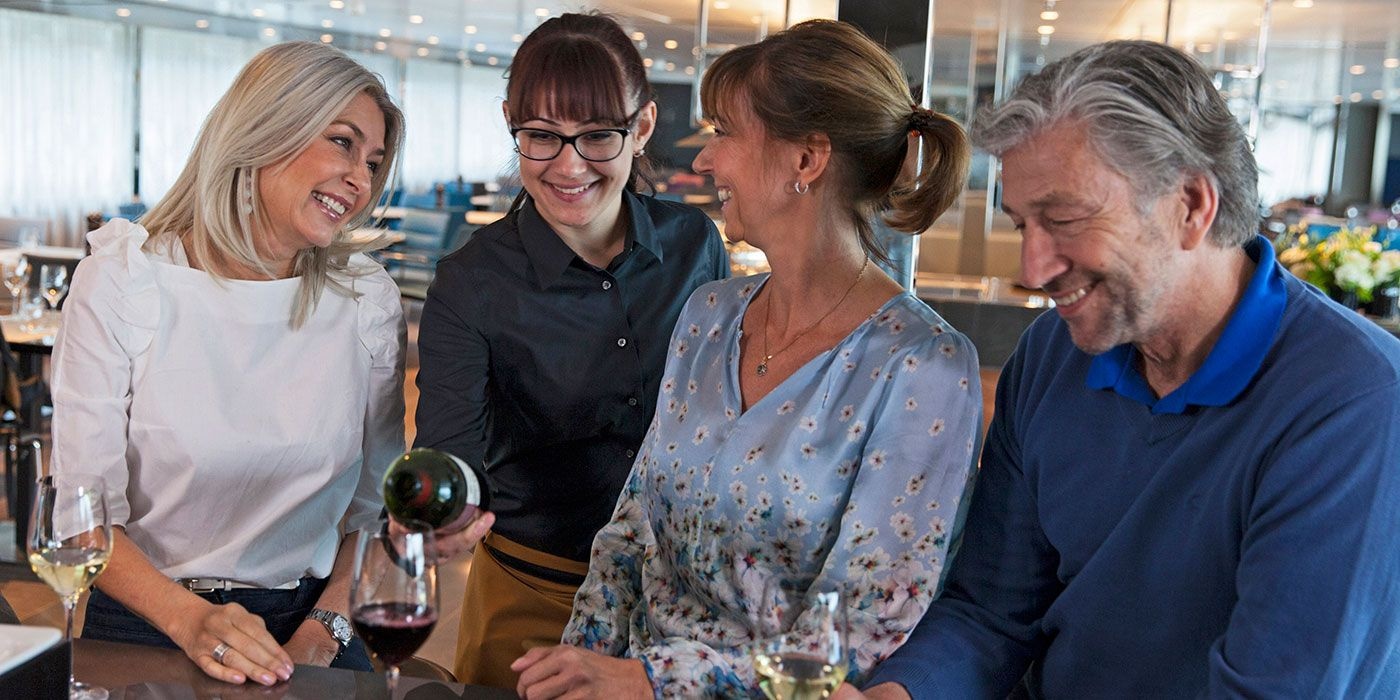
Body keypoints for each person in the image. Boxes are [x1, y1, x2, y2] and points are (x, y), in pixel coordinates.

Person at [854, 41, 1400, 699]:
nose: (1032, 271)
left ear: (1192, 206)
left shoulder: (1356, 402)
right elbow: (990, 613)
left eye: (1063, 220)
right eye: (1023, 224)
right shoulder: (1051, 355)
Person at [512, 19, 982, 698]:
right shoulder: (710, 315)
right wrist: (579, 668)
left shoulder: (924, 367)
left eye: (724, 132)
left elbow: (861, 627)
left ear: (806, 160)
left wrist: (655, 681)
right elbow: (631, 529)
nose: (705, 161)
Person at [51, 41, 406, 686]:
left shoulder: (366, 301)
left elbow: (374, 516)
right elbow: (82, 524)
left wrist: (320, 637)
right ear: (266, 130)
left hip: (311, 620)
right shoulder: (123, 283)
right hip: (149, 620)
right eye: (343, 143)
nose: (363, 180)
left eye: (375, 161)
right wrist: (191, 621)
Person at [410, 12, 730, 688]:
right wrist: (439, 513)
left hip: (681, 604)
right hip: (533, 600)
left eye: (596, 137)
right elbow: (450, 457)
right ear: (510, 124)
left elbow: (722, 417)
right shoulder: (472, 282)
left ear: (641, 126)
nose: (568, 165)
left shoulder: (695, 245)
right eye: (541, 137)